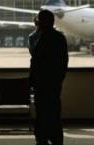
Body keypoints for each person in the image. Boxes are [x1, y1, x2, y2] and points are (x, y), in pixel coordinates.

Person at [30, 10, 68, 145]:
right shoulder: (60, 38)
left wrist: (32, 80)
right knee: (54, 113)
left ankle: (42, 139)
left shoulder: (40, 38)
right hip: (54, 82)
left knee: (41, 113)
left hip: (41, 82)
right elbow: (64, 63)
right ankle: (56, 139)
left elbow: (35, 58)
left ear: (41, 22)